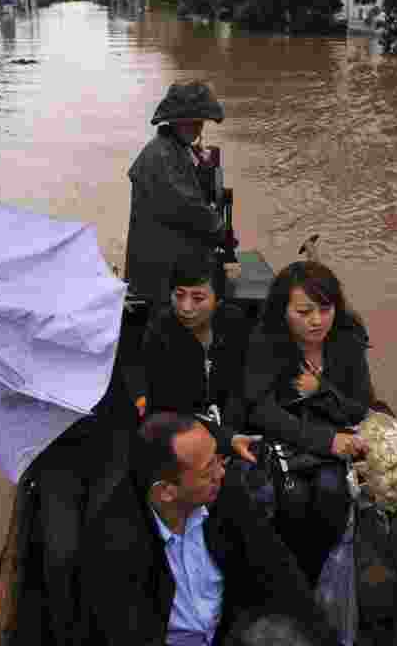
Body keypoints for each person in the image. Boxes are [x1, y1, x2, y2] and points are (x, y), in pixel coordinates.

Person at [77, 412, 338, 646]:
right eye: (207, 470)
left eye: (218, 459)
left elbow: (280, 574)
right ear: (166, 492)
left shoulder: (226, 495)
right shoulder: (113, 542)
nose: (220, 473)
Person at [224, 261, 374, 585]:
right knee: (291, 498)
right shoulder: (266, 343)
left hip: (335, 440)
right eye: (304, 312)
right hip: (286, 440)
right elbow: (261, 410)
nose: (317, 321)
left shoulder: (347, 342)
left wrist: (323, 390)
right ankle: (290, 576)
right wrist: (325, 440)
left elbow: (359, 407)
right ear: (283, 311)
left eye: (324, 309)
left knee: (332, 493)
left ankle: (316, 574)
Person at [141, 251, 256, 463]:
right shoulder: (160, 331)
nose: (185, 307)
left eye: (198, 298)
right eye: (179, 294)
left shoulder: (234, 323)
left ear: (218, 299)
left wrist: (231, 430)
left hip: (231, 430)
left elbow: (240, 388)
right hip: (178, 433)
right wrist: (224, 439)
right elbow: (170, 403)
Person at [125, 81, 226, 306]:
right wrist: (219, 229)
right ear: (178, 121)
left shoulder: (177, 148)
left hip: (167, 262)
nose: (199, 128)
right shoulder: (162, 156)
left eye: (201, 121)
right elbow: (187, 208)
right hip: (159, 272)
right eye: (194, 122)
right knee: (164, 321)